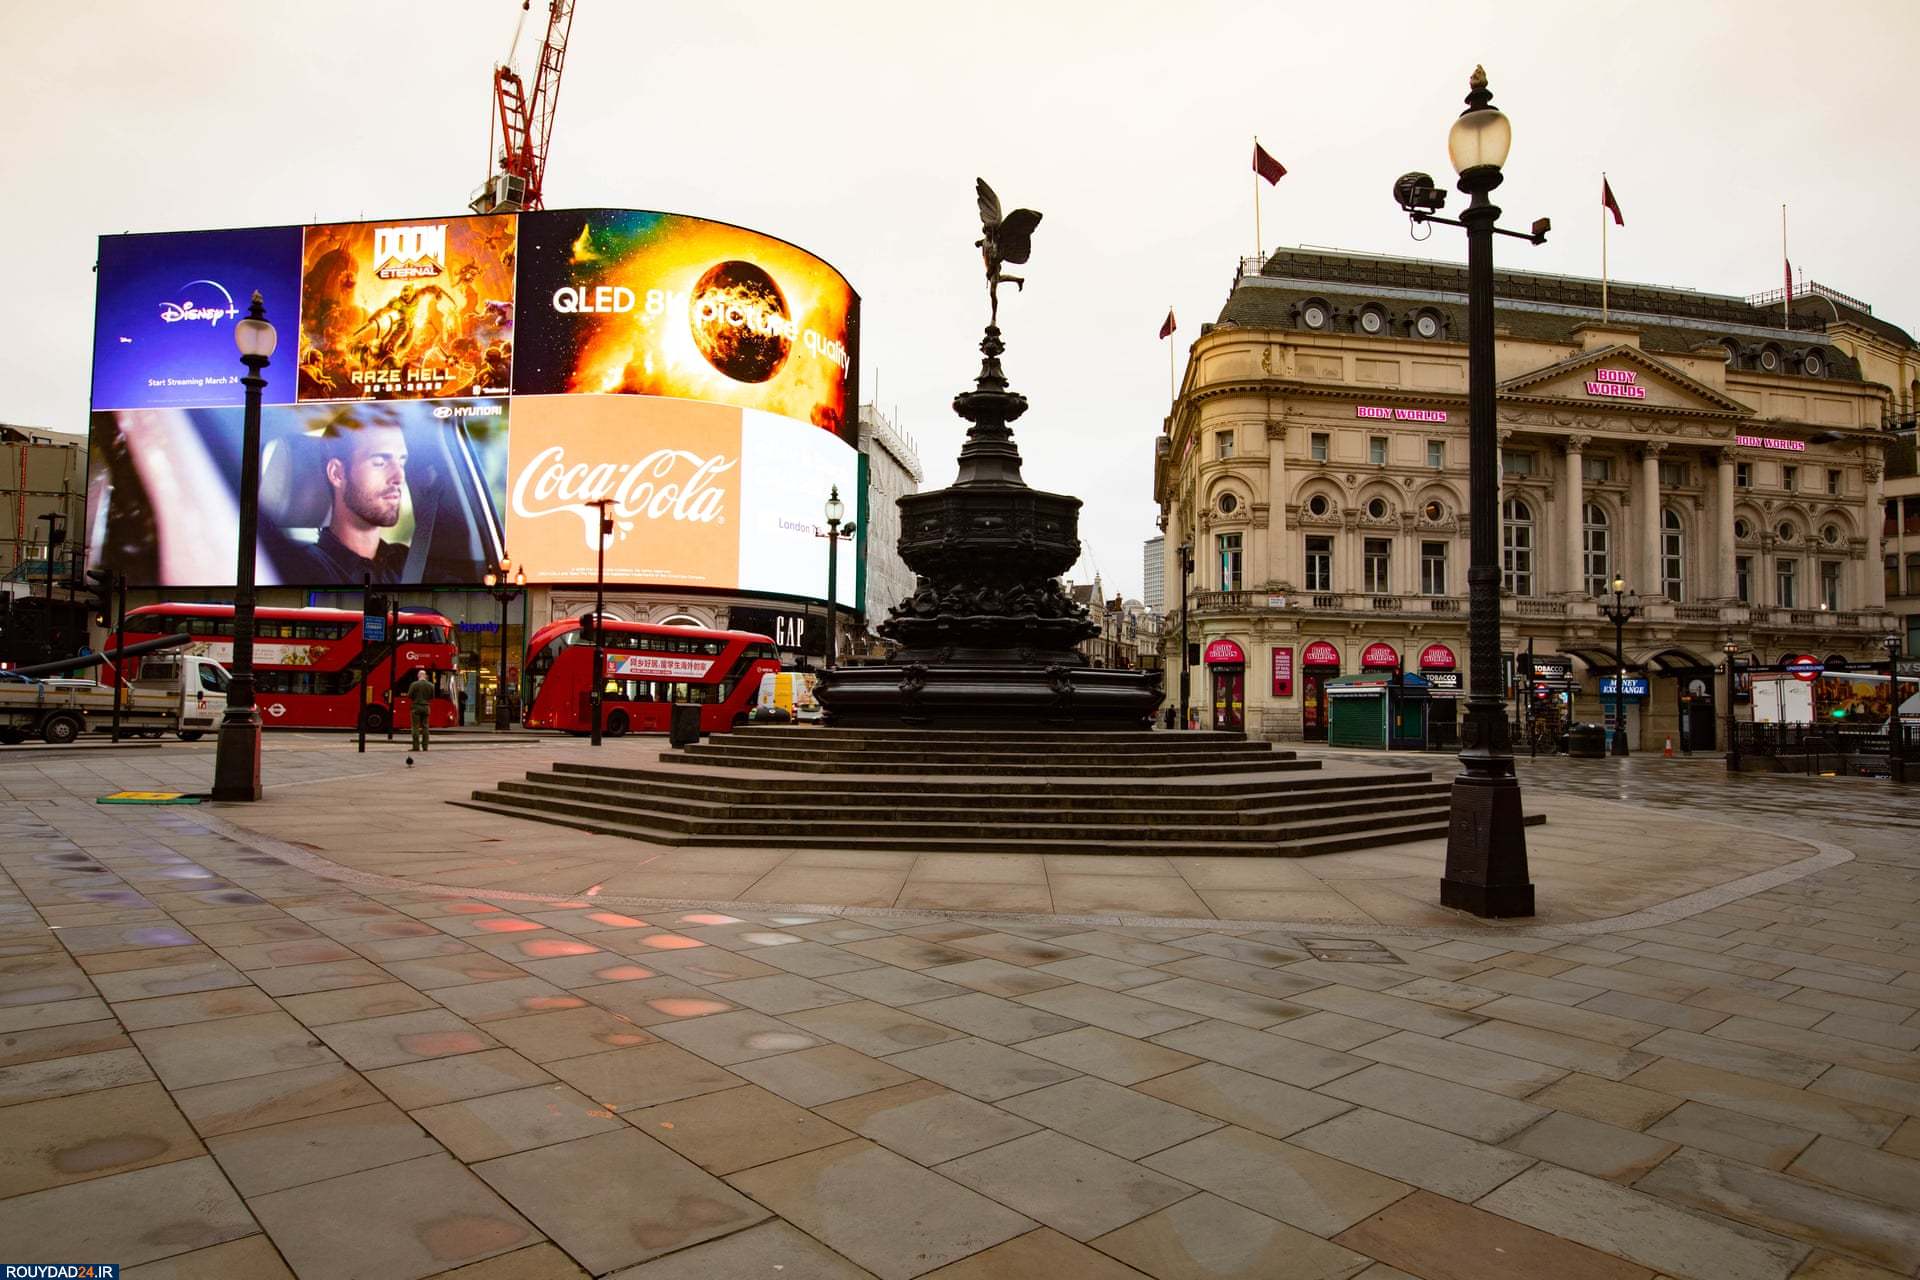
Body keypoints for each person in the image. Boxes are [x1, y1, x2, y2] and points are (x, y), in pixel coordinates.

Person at [282, 417, 411, 584]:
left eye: (401, 462)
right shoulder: (302, 571)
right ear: (337, 473)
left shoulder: (409, 562)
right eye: (379, 462)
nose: (399, 477)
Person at [406, 668, 437, 752]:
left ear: (419, 675)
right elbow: (432, 697)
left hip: (416, 707)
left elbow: (409, 695)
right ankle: (425, 746)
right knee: (425, 727)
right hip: (426, 707)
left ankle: (416, 747)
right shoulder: (431, 685)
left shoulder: (414, 684)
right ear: (425, 676)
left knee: (415, 727)